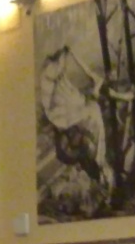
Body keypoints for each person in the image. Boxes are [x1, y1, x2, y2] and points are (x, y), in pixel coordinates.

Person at [39, 45, 112, 191]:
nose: (111, 75)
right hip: (81, 109)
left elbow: (89, 73)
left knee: (90, 124)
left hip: (83, 111)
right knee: (72, 103)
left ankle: (99, 172)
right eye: (110, 73)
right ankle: (98, 170)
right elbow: (85, 68)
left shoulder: (98, 85)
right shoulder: (96, 84)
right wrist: (72, 54)